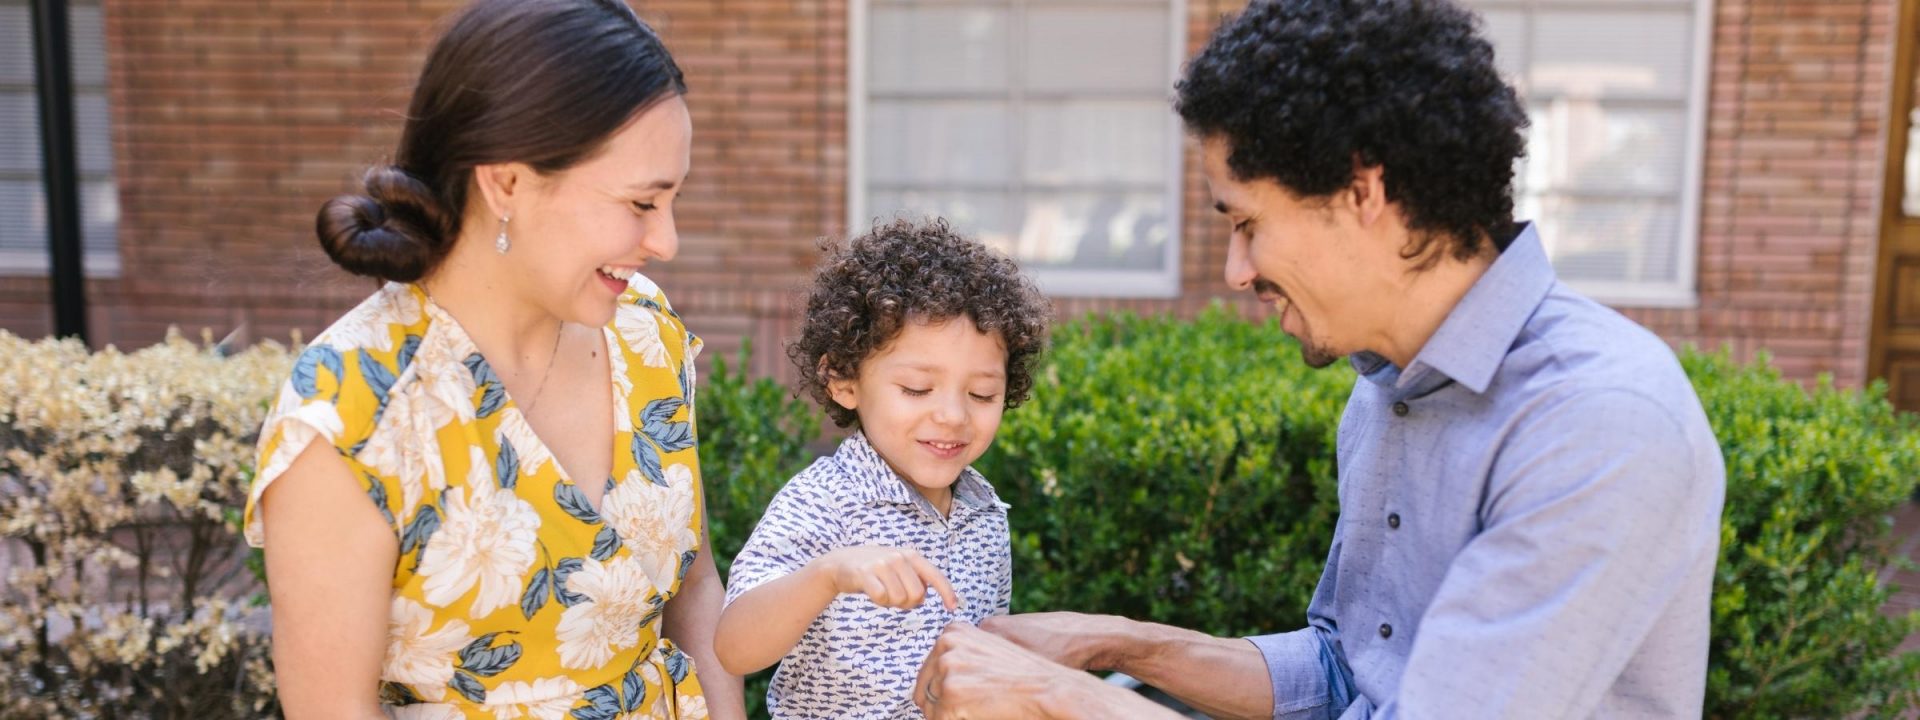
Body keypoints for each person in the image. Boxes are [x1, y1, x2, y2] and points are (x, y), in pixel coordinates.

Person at [914, 1, 1728, 718]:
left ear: (1361, 195)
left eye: (1246, 223)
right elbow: (1348, 673)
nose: (1237, 271)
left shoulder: (1599, 424)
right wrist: (1113, 645)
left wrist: (1061, 700)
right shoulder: (1387, 391)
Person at [242, 1, 745, 717]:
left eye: (672, 200)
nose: (665, 239)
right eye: (641, 202)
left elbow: (694, 591)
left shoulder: (647, 333)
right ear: (506, 182)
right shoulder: (352, 410)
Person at [712, 219, 1051, 718]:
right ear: (844, 381)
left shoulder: (986, 514)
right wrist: (827, 575)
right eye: (917, 388)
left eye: (982, 394)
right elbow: (735, 646)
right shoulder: (823, 501)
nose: (954, 415)